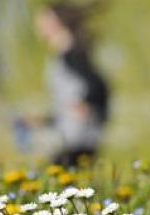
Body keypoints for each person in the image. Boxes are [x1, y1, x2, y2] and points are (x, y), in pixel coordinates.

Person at [33, 2, 110, 167]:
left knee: (61, 180)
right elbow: (69, 95)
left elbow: (98, 84)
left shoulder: (72, 54)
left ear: (56, 23)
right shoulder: (65, 54)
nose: (38, 25)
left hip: (77, 136)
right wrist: (48, 119)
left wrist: (87, 103)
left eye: (44, 20)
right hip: (69, 133)